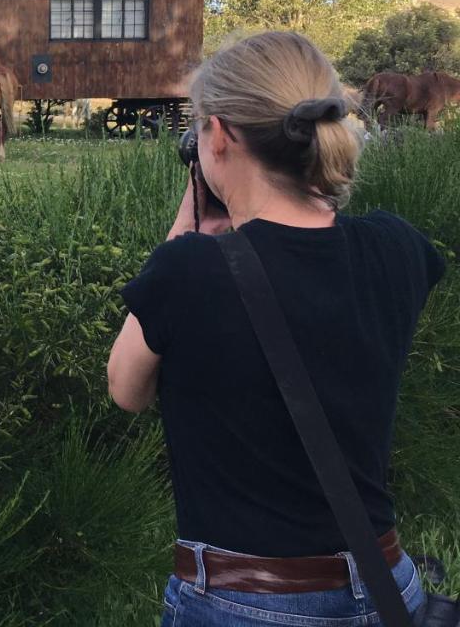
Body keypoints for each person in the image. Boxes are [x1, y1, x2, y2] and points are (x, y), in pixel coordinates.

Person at [107, 32, 446, 626]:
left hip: (243, 602)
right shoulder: (399, 249)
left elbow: (126, 389)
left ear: (218, 135)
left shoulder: (188, 270)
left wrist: (193, 218)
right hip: (388, 585)